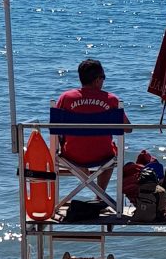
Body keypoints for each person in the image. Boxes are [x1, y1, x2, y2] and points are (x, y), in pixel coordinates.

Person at [55, 58, 130, 191]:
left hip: (71, 155)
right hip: (103, 154)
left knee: (78, 147)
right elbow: (128, 128)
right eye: (103, 78)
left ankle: (92, 188)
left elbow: (54, 128)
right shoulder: (112, 100)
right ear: (97, 80)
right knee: (113, 154)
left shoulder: (65, 98)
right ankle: (100, 195)